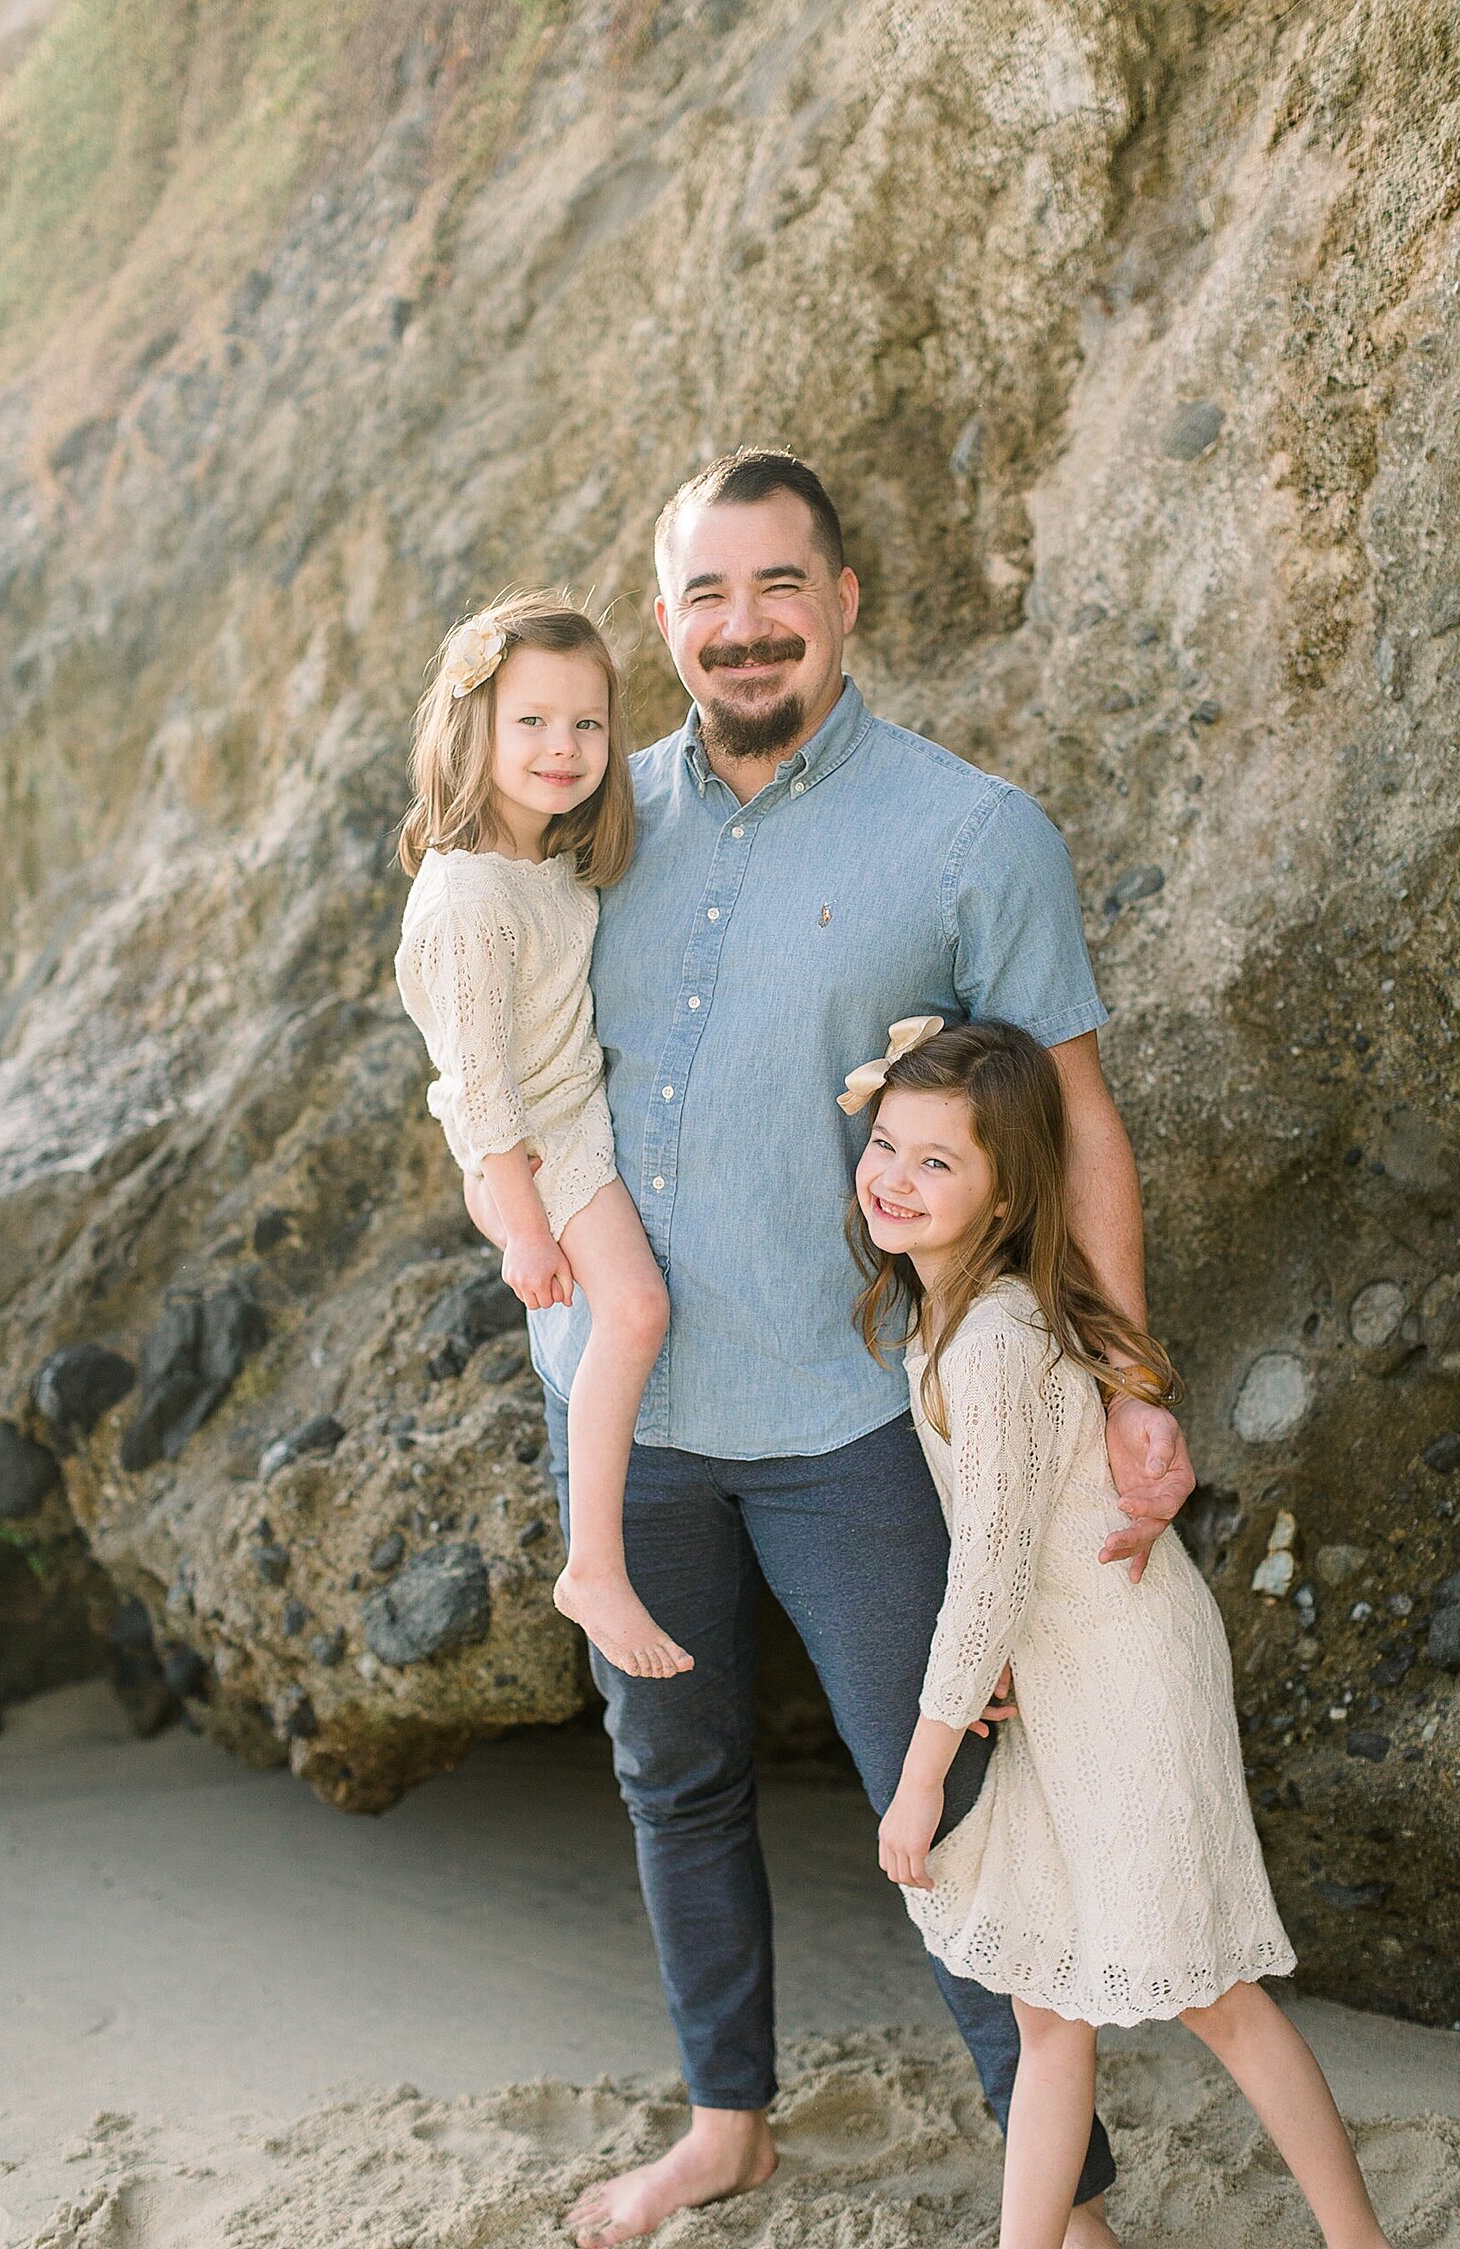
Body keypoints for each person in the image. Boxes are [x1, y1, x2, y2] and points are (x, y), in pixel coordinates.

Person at [470, 451, 1197, 2249]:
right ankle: (726, 2118)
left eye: (776, 586)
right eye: (705, 596)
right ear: (663, 621)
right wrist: (517, 1227)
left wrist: (1135, 1381)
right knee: (675, 1773)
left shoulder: (974, 832)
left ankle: (1065, 2189)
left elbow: (1083, 1122)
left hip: (861, 1415)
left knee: (941, 1790)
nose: (742, 627)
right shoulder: (585, 822)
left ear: (848, 597)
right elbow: (486, 1026)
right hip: (623, 1416)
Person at [859, 1017, 1390, 2249]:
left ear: (1008, 1196)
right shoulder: (949, 1316)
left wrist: (920, 1777)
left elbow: (985, 1573)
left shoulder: (990, 1341)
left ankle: (1361, 2241)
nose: (894, 1175)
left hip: (1128, 1676)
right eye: (886, 1143)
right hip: (1059, 1680)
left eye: (939, 1162)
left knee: (1216, 1994)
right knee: (1049, 2004)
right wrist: (995, 1675)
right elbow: (1005, 1565)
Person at [393, 591, 690, 1680]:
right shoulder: (471, 895)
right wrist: (521, 1227)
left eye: (587, 725)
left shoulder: (546, 860)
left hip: (566, 1116)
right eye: (530, 722)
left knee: (632, 1308)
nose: (562, 749)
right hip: (539, 1141)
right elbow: (479, 1092)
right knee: (638, 1306)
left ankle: (600, 1553)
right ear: (475, 729)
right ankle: (593, 1564)